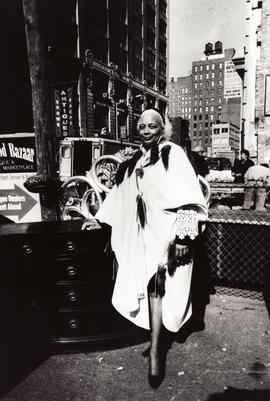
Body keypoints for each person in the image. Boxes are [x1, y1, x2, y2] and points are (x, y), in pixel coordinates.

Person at [87, 109, 208, 388]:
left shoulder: (173, 154)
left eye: (152, 126)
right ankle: (156, 343)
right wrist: (99, 220)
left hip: (166, 233)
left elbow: (190, 197)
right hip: (141, 236)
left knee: (158, 288)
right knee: (147, 287)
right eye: (141, 126)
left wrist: (184, 238)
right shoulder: (135, 159)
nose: (145, 130)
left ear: (161, 128)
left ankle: (156, 353)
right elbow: (120, 194)